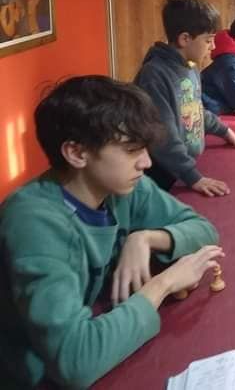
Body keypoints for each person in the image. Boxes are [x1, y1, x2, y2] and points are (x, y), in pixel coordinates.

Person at [0, 76, 223, 389]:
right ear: (77, 153)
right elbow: (76, 361)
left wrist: (144, 238)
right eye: (132, 150)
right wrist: (162, 285)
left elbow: (204, 230)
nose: (146, 162)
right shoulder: (33, 222)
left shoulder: (120, 186)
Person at [134, 0, 235, 196]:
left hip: (183, 168)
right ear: (185, 39)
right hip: (162, 174)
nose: (213, 47)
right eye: (208, 40)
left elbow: (195, 109)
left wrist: (224, 131)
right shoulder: (154, 75)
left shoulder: (190, 67)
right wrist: (193, 177)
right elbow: (163, 135)